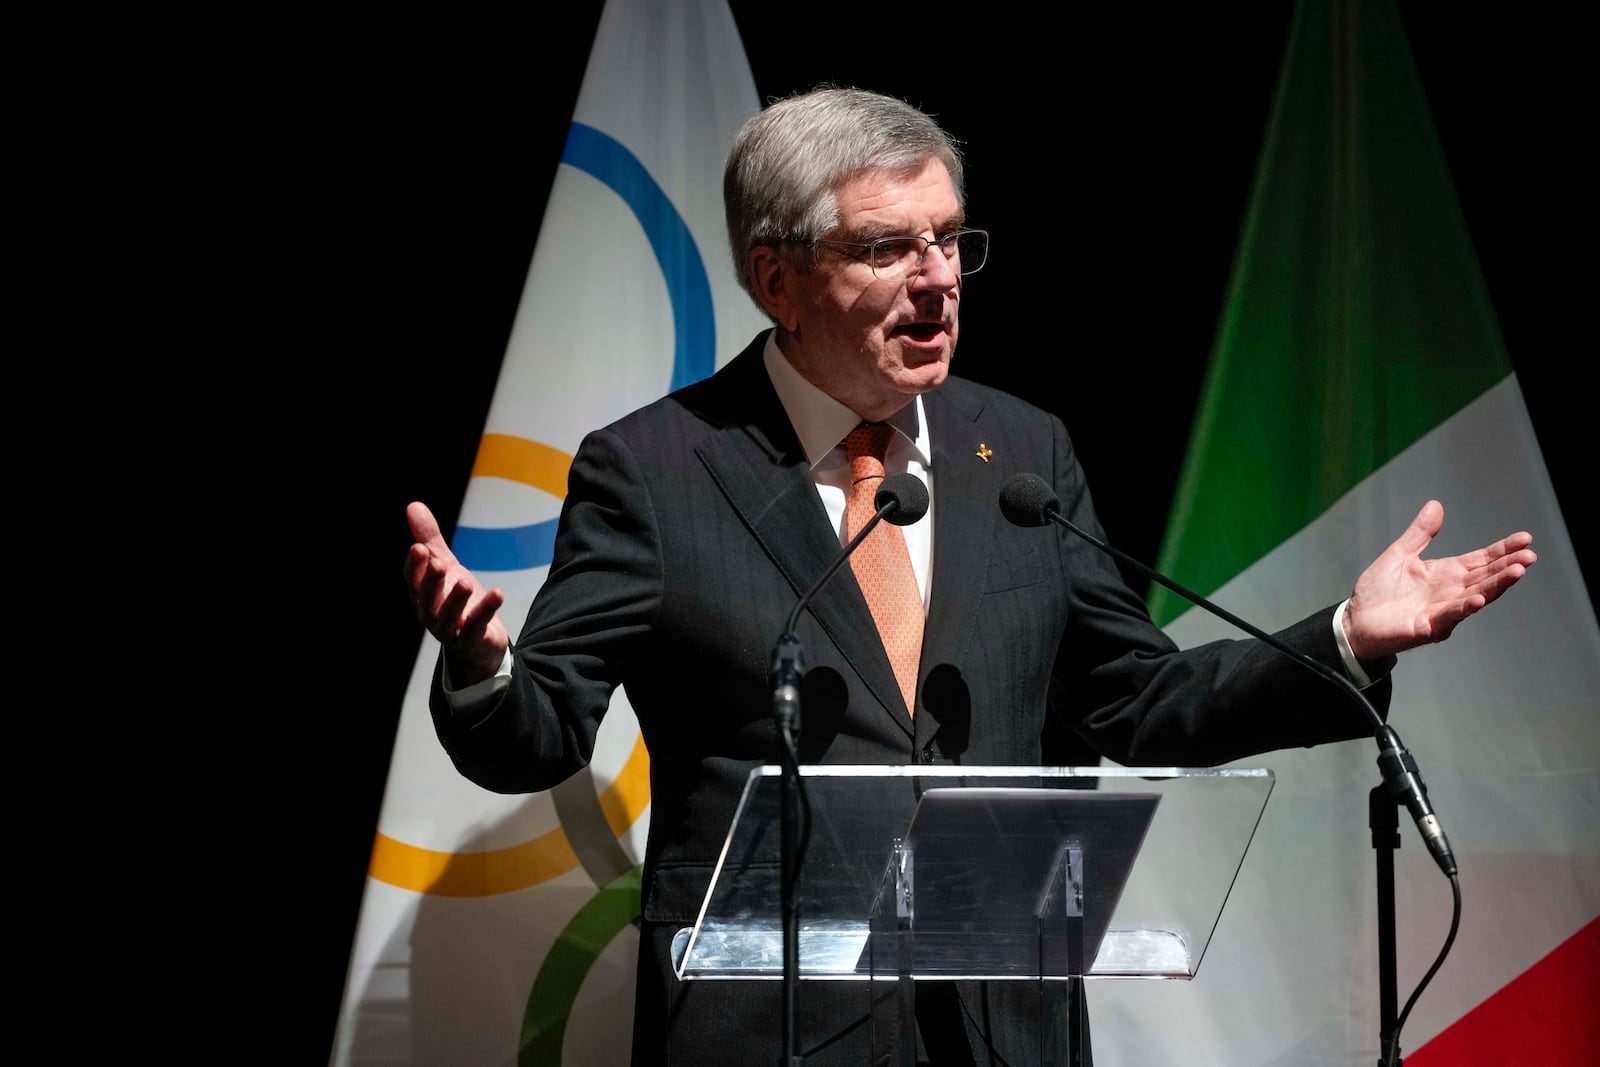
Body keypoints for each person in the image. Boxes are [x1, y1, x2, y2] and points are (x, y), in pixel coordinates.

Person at [403, 86, 1535, 1065]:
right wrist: (479, 664)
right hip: (765, 1028)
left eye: (949, 240)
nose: (937, 280)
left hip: (1005, 1024)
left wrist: (1343, 635)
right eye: (886, 247)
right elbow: (539, 730)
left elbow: (1133, 701)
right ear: (775, 277)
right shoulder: (653, 469)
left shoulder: (1022, 452)